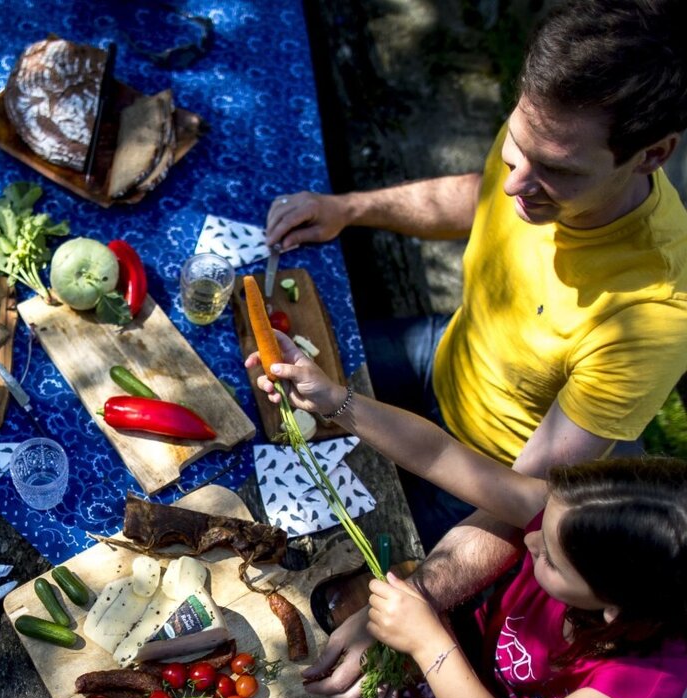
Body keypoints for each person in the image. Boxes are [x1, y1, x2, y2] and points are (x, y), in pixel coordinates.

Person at [265, 0, 687, 552]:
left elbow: (525, 501)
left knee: (303, 544)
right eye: (516, 150)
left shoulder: (655, 316)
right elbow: (482, 196)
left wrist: (344, 406)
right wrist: (347, 208)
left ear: (652, 155)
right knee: (254, 390)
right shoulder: (547, 138)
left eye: (557, 172)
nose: (517, 184)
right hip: (441, 355)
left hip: (482, 475)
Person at [249, 336, 687, 698]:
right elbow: (438, 455)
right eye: (543, 518)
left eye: (551, 560)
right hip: (468, 652)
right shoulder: (574, 520)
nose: (528, 537)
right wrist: (336, 400)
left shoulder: (646, 678)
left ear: (614, 605)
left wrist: (427, 643)